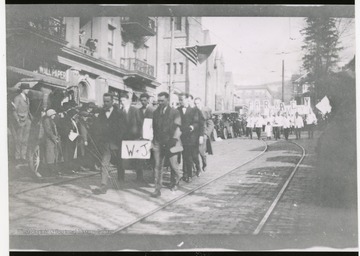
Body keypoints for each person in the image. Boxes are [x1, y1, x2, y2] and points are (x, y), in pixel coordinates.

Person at [151, 92, 182, 198]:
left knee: (174, 166)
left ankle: (176, 181)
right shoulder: (155, 113)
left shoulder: (175, 112)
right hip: (159, 142)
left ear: (167, 100)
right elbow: (154, 128)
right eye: (158, 101)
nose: (159, 103)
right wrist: (153, 141)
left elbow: (178, 127)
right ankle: (157, 189)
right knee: (158, 166)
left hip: (172, 142)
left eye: (162, 101)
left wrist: (173, 140)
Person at [93, 93, 125, 194]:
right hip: (105, 144)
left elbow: (123, 128)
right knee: (104, 163)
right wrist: (99, 140)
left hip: (117, 143)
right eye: (104, 101)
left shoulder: (119, 113)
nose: (105, 103)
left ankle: (121, 180)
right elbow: (97, 127)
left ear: (112, 102)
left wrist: (119, 139)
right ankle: (103, 185)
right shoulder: (101, 113)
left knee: (120, 163)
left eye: (107, 101)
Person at [120, 92, 144, 181]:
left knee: (136, 157)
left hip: (134, 137)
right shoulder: (120, 111)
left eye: (123, 100)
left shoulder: (135, 110)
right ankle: (121, 177)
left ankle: (139, 176)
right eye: (121, 100)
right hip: (123, 138)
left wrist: (140, 136)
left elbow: (140, 123)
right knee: (122, 157)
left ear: (128, 101)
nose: (122, 102)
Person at [178, 93, 200, 182]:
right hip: (180, 136)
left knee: (189, 156)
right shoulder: (177, 110)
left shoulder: (193, 110)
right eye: (179, 99)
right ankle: (185, 174)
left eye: (182, 99)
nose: (180, 101)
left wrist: (192, 127)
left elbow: (197, 122)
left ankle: (188, 174)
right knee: (183, 156)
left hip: (190, 136)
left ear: (187, 99)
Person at [13, 83, 32, 162]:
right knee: (19, 139)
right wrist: (17, 120)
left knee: (26, 139)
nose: (28, 90)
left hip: (27, 120)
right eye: (27, 89)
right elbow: (14, 111)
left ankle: (23, 156)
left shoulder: (27, 98)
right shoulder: (17, 98)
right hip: (20, 120)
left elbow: (28, 110)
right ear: (23, 89)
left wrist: (30, 118)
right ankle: (17, 156)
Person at [194, 97, 214, 173]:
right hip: (194, 135)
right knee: (194, 153)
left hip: (203, 135)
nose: (196, 105)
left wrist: (206, 134)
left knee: (201, 152)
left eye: (198, 103)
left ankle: (204, 164)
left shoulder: (205, 112)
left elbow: (211, 124)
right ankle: (197, 168)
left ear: (201, 103)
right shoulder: (193, 112)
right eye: (195, 104)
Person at [43, 109, 61, 177]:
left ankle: (53, 171)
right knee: (50, 156)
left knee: (53, 155)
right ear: (50, 115)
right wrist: (54, 138)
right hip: (49, 140)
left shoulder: (51, 121)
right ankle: (50, 172)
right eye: (53, 115)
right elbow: (48, 131)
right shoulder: (47, 121)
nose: (54, 116)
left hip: (53, 140)